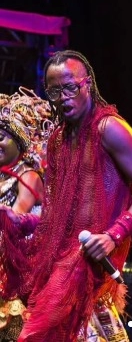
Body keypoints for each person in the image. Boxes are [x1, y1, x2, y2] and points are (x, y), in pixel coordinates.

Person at [0, 50, 132, 341]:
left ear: (88, 84)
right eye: (54, 90)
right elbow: (58, 218)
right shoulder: (58, 140)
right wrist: (21, 221)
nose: (63, 96)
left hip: (90, 263)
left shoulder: (109, 128)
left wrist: (113, 235)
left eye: (71, 87)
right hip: (61, 261)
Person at [0, 88, 52, 341]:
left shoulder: (27, 174)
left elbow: (16, 218)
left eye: (1, 136)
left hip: (16, 266)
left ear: (18, 140)